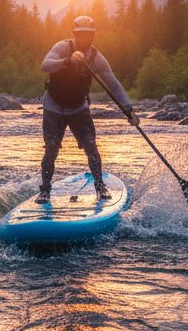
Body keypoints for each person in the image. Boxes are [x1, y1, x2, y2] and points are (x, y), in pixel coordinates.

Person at [38, 15, 139, 202]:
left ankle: (100, 187)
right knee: (51, 148)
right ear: (74, 34)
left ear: (92, 36)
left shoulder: (96, 58)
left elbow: (113, 84)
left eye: (88, 35)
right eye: (80, 34)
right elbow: (45, 66)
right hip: (53, 106)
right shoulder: (62, 47)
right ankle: (45, 190)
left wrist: (129, 110)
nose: (84, 38)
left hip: (79, 108)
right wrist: (67, 61)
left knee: (91, 146)